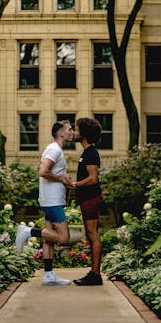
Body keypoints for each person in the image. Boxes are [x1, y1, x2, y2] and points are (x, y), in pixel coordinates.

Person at [15, 120, 74, 286]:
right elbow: (43, 172)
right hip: (52, 200)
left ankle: (48, 275)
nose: (72, 132)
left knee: (49, 239)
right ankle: (28, 231)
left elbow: (52, 173)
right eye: (69, 129)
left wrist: (64, 179)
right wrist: (60, 178)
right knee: (64, 237)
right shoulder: (54, 149)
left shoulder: (56, 150)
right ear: (61, 133)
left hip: (50, 199)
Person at [70, 118, 104, 286]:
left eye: (76, 130)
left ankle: (95, 274)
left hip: (91, 198)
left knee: (93, 235)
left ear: (83, 133)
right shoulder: (87, 152)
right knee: (91, 236)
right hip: (87, 199)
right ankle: (94, 273)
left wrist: (75, 184)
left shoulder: (91, 153)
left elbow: (93, 179)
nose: (74, 132)